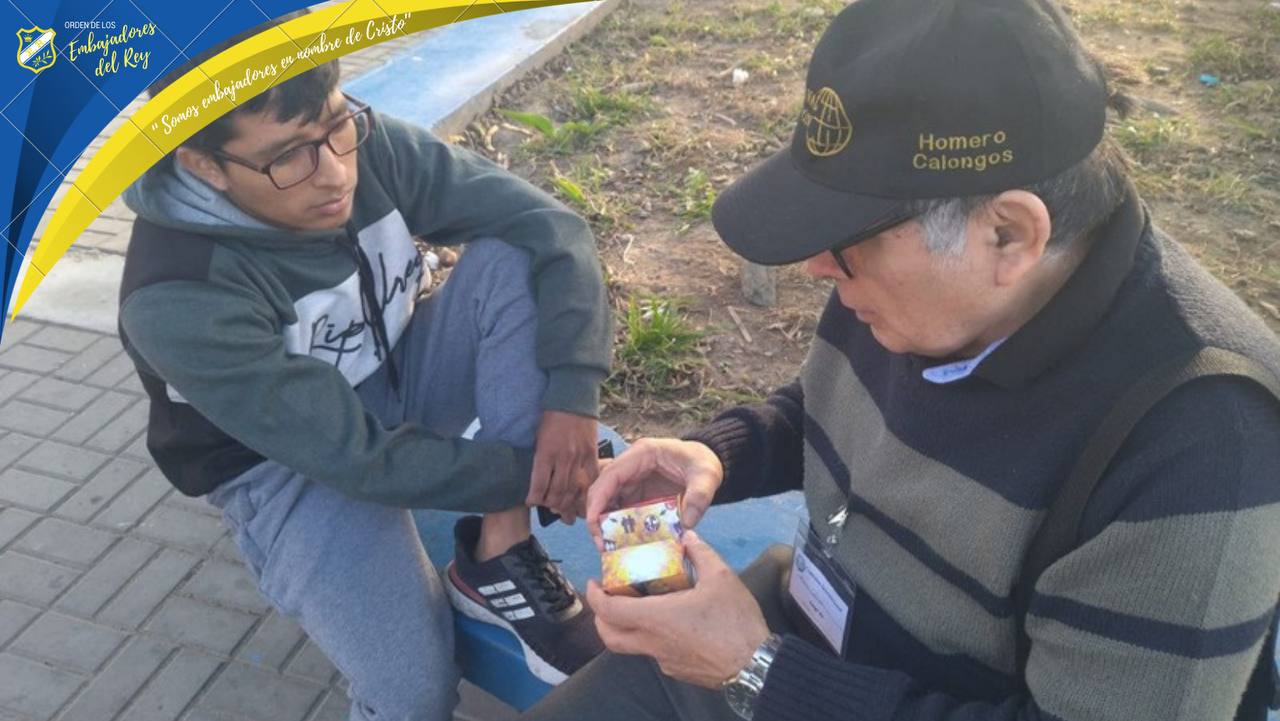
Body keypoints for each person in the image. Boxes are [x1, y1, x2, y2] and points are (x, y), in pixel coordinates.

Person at [523, 0, 1280, 720]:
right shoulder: (918, 291)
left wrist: (755, 669)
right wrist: (721, 454)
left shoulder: (1207, 447)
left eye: (850, 241)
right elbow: (838, 406)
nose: (819, 265)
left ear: (1009, 235)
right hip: (797, 640)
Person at [117, 15, 611, 721]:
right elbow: (354, 458)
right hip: (286, 466)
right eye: (288, 157)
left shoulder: (365, 148)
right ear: (202, 164)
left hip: (395, 371)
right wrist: (541, 472)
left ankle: (498, 554)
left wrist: (573, 397)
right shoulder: (176, 295)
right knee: (412, 691)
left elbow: (551, 228)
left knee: (516, 253)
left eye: (335, 125)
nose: (335, 175)